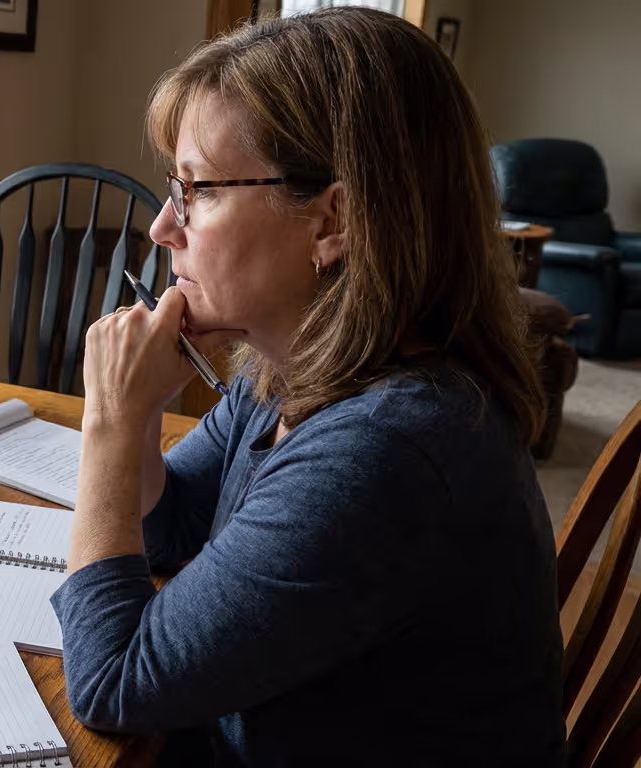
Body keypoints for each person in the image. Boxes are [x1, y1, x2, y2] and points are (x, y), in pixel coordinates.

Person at [50, 7, 564, 765]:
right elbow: (178, 522)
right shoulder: (289, 364)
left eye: (197, 190)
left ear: (335, 218)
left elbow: (113, 683)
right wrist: (135, 427)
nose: (163, 227)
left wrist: (112, 424)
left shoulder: (388, 448)